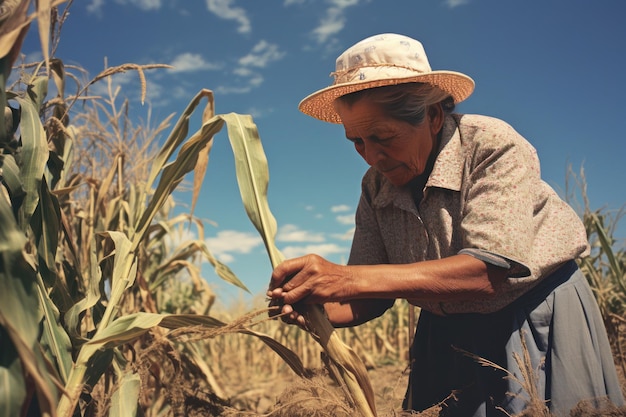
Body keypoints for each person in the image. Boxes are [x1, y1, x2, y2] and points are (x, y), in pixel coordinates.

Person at [267, 33, 624, 416]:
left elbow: (486, 274)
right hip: (446, 335)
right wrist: (317, 307)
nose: (371, 157)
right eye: (356, 141)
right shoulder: (375, 187)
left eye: (383, 137)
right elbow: (371, 296)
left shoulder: (490, 145)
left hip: (531, 318)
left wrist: (347, 280)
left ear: (434, 116)